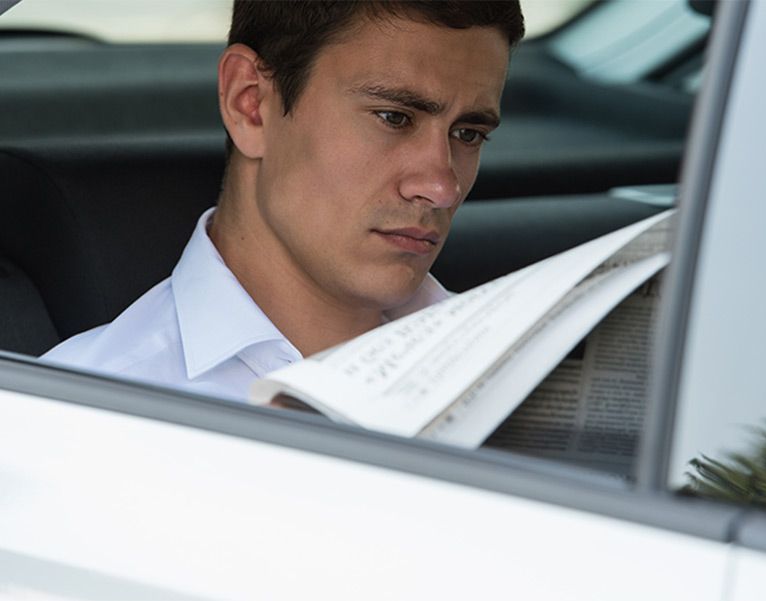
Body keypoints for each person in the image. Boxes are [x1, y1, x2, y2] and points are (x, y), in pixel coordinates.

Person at [43, 1, 524, 401]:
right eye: (393, 117)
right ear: (250, 104)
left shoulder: (522, 361)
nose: (441, 187)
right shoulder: (74, 409)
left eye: (468, 133)